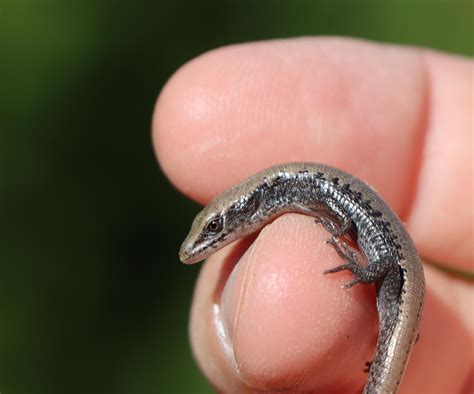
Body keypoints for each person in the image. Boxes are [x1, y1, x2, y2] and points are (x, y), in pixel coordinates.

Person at [153, 37, 473, 393]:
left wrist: (360, 264)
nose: (208, 241)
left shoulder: (291, 187)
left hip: (395, 273)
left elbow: (345, 210)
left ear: (242, 208)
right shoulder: (282, 190)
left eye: (215, 227)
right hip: (395, 279)